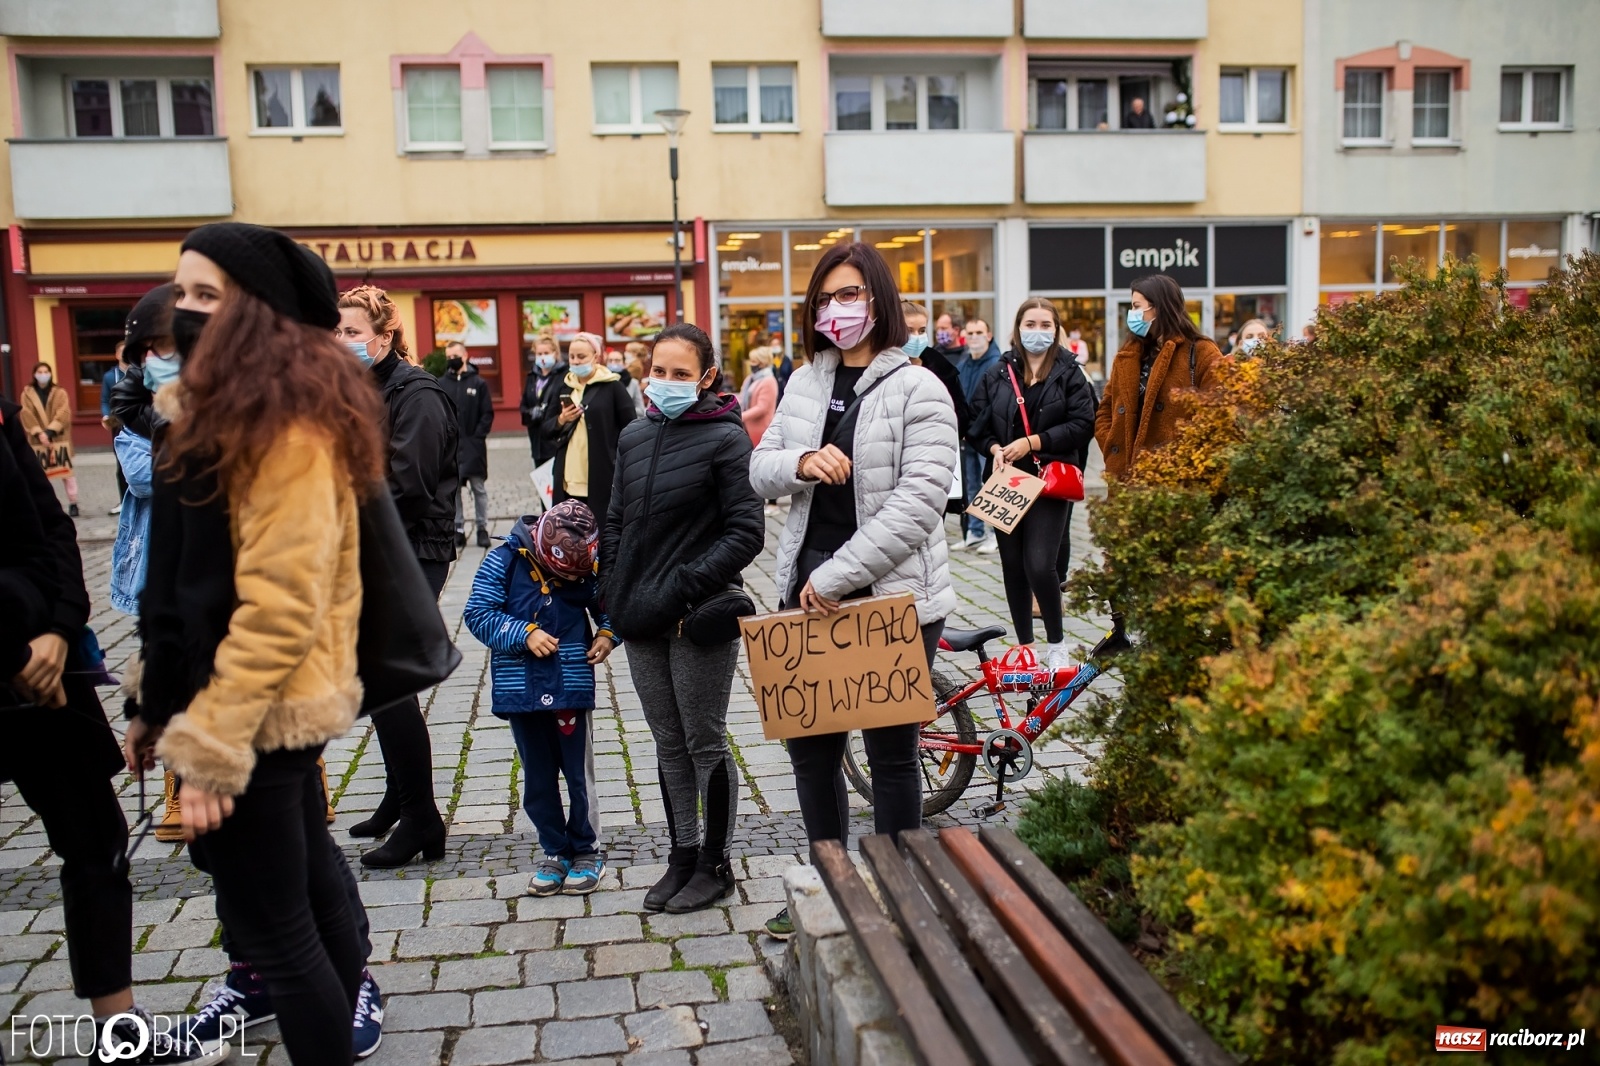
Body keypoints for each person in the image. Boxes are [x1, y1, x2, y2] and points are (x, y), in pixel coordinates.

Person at [123, 222, 386, 1066]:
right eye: (182, 292)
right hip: (218, 706)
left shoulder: (285, 429)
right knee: (302, 899)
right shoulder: (209, 416)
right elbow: (178, 588)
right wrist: (153, 703)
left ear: (257, 312)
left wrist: (208, 750)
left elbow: (278, 608)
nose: (185, 311)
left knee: (278, 932)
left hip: (257, 716)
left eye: (208, 295)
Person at [748, 242, 958, 940]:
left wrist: (835, 576)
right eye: (824, 298)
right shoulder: (804, 382)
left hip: (891, 598)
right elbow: (759, 469)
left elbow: (920, 503)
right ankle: (829, 885)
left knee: (891, 755)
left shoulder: (919, 388)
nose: (835, 309)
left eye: (850, 294)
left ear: (878, 300)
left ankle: (900, 892)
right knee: (812, 756)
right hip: (805, 595)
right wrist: (803, 461)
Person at [602, 323, 765, 914]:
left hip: (697, 615)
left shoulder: (727, 438)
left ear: (706, 378)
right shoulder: (634, 435)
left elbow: (746, 532)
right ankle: (682, 854)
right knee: (667, 742)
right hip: (641, 616)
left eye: (680, 373)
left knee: (703, 740)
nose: (665, 382)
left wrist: (682, 586)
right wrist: (612, 589)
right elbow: (615, 520)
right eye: (658, 371)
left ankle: (715, 864)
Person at [337, 284, 456, 868]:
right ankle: (398, 798)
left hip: (413, 546)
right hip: (371, 543)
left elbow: (410, 483)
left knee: (388, 681)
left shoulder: (418, 393)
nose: (342, 341)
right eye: (337, 331)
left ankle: (422, 818)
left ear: (385, 336)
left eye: (353, 332)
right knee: (379, 680)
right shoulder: (356, 388)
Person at [464, 500, 618, 896]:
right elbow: (477, 612)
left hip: (570, 686)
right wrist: (524, 633)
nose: (574, 580)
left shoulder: (587, 563)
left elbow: (610, 603)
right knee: (537, 776)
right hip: (521, 690)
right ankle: (555, 850)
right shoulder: (503, 560)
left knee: (578, 774)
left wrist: (607, 633)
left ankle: (587, 850)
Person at [968, 299, 1097, 667]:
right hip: (1006, 481)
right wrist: (993, 448)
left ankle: (1057, 646)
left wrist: (1033, 442)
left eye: (1045, 324)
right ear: (1018, 327)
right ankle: (1026, 647)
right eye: (1030, 323)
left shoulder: (1070, 372)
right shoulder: (998, 372)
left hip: (1049, 480)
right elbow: (975, 424)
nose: (1037, 331)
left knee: (1040, 564)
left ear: (1055, 330)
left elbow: (1082, 425)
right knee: (1013, 566)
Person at [1095, 273, 1225, 484]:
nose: (1132, 314)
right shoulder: (1128, 354)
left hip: (1176, 479)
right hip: (1127, 478)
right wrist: (1112, 446)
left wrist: (1182, 458)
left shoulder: (1201, 351)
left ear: (1159, 307)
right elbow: (1106, 408)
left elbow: (1218, 411)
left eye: (1137, 306)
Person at [541, 331, 635, 541]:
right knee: (569, 537)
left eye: (581, 356)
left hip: (601, 475)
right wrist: (561, 419)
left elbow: (630, 427)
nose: (575, 361)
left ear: (596, 356)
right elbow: (546, 429)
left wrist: (618, 459)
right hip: (567, 477)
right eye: (572, 356)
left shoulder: (613, 386)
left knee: (601, 534)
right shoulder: (564, 386)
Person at [442, 339, 495, 549]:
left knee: (478, 488)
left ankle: (482, 528)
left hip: (473, 447)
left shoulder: (478, 383)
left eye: (455, 356)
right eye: (448, 357)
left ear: (465, 356)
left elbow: (487, 413)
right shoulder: (442, 383)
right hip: (451, 448)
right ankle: (458, 529)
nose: (451, 360)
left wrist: (477, 437)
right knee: (453, 490)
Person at [955, 316, 1001, 552]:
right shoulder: (964, 362)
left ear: (989, 335)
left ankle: (995, 533)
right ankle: (975, 530)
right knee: (972, 485)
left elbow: (993, 404)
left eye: (979, 333)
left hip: (988, 436)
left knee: (990, 484)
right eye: (970, 333)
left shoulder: (996, 364)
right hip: (968, 436)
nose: (974, 337)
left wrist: (974, 429)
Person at [20, 362, 79, 517]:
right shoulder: (27, 393)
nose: (43, 374)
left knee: (66, 472)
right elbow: (26, 414)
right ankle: (44, 504)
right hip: (38, 440)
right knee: (40, 473)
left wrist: (50, 431)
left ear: (51, 373)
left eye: (46, 371)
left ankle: (73, 502)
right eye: (40, 372)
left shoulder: (59, 392)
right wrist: (39, 433)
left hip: (59, 437)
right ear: (34, 374)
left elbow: (64, 412)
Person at [521, 335, 566, 463]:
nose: (542, 357)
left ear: (555, 353)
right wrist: (530, 413)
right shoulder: (532, 376)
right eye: (539, 354)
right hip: (537, 442)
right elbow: (524, 404)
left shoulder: (563, 375)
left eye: (546, 353)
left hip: (556, 441)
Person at [102, 343, 129, 511]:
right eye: (122, 352)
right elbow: (105, 400)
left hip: (137, 422)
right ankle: (124, 501)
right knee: (121, 464)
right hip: (118, 424)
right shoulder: (110, 376)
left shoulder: (140, 372)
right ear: (116, 355)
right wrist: (105, 415)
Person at [739, 346, 779, 447]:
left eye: (753, 361)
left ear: (762, 363)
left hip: (762, 431)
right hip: (747, 428)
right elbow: (742, 397)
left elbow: (762, 408)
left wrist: (740, 416)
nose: (750, 364)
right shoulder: (750, 379)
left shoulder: (769, 381)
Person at [612, 344, 647, 416]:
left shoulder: (636, 366)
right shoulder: (631, 364)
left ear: (635, 353)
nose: (625, 353)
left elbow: (628, 378)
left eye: (627, 351)